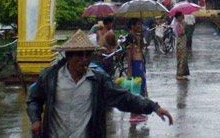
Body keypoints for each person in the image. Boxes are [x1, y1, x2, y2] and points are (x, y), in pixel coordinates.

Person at [27, 29, 173, 138]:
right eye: (79, 55)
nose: (85, 59)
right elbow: (34, 99)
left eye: (88, 54)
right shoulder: (50, 76)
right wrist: (35, 120)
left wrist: (153, 107)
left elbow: (123, 97)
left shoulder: (98, 80)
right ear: (68, 56)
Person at [126, 18, 148, 122]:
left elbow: (142, 48)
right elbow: (129, 54)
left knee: (141, 88)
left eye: (140, 24)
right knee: (135, 89)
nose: (139, 26)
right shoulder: (130, 37)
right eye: (138, 24)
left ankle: (137, 112)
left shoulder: (137, 36)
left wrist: (142, 37)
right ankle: (133, 114)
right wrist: (130, 69)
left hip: (140, 63)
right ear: (132, 25)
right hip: (134, 64)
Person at [174, 11, 190, 80]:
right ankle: (179, 74)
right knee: (181, 57)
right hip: (180, 42)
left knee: (183, 57)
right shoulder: (177, 24)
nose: (182, 17)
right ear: (178, 17)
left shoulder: (179, 23)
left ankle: (182, 72)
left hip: (182, 41)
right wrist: (184, 27)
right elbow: (180, 33)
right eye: (181, 16)